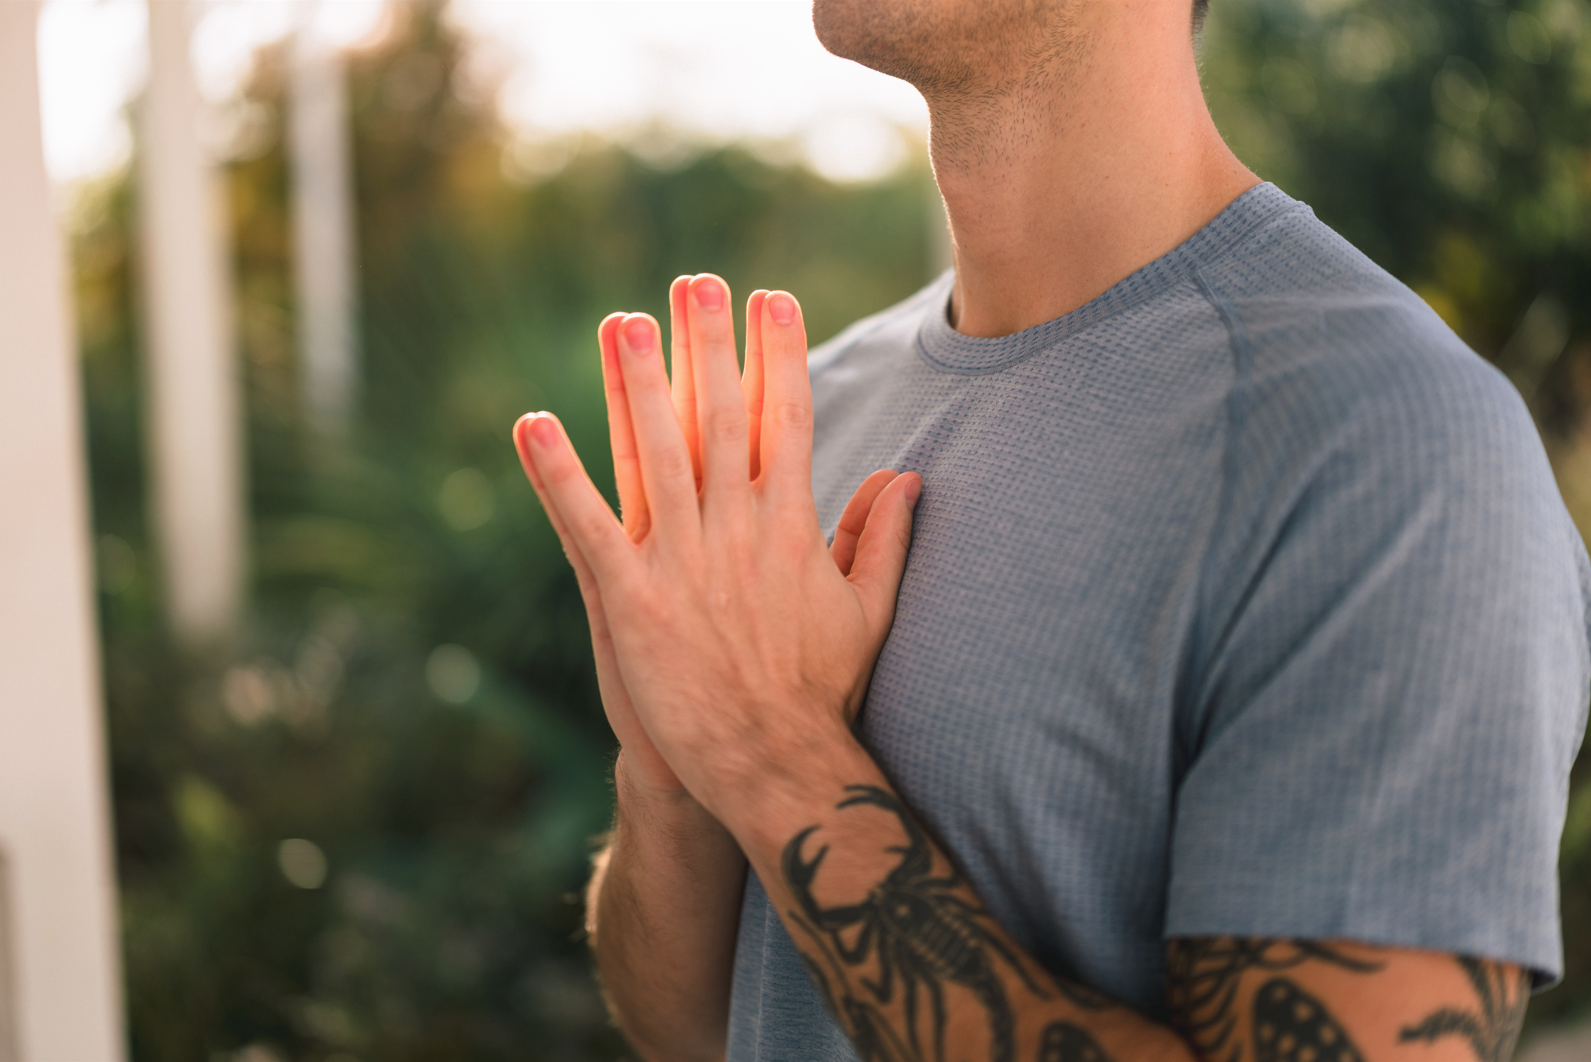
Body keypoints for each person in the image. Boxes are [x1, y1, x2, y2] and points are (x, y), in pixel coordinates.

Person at [511, 0, 1591, 1059]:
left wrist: (771, 757)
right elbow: (698, 1029)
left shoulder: (1388, 447)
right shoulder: (813, 413)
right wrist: (675, 759)